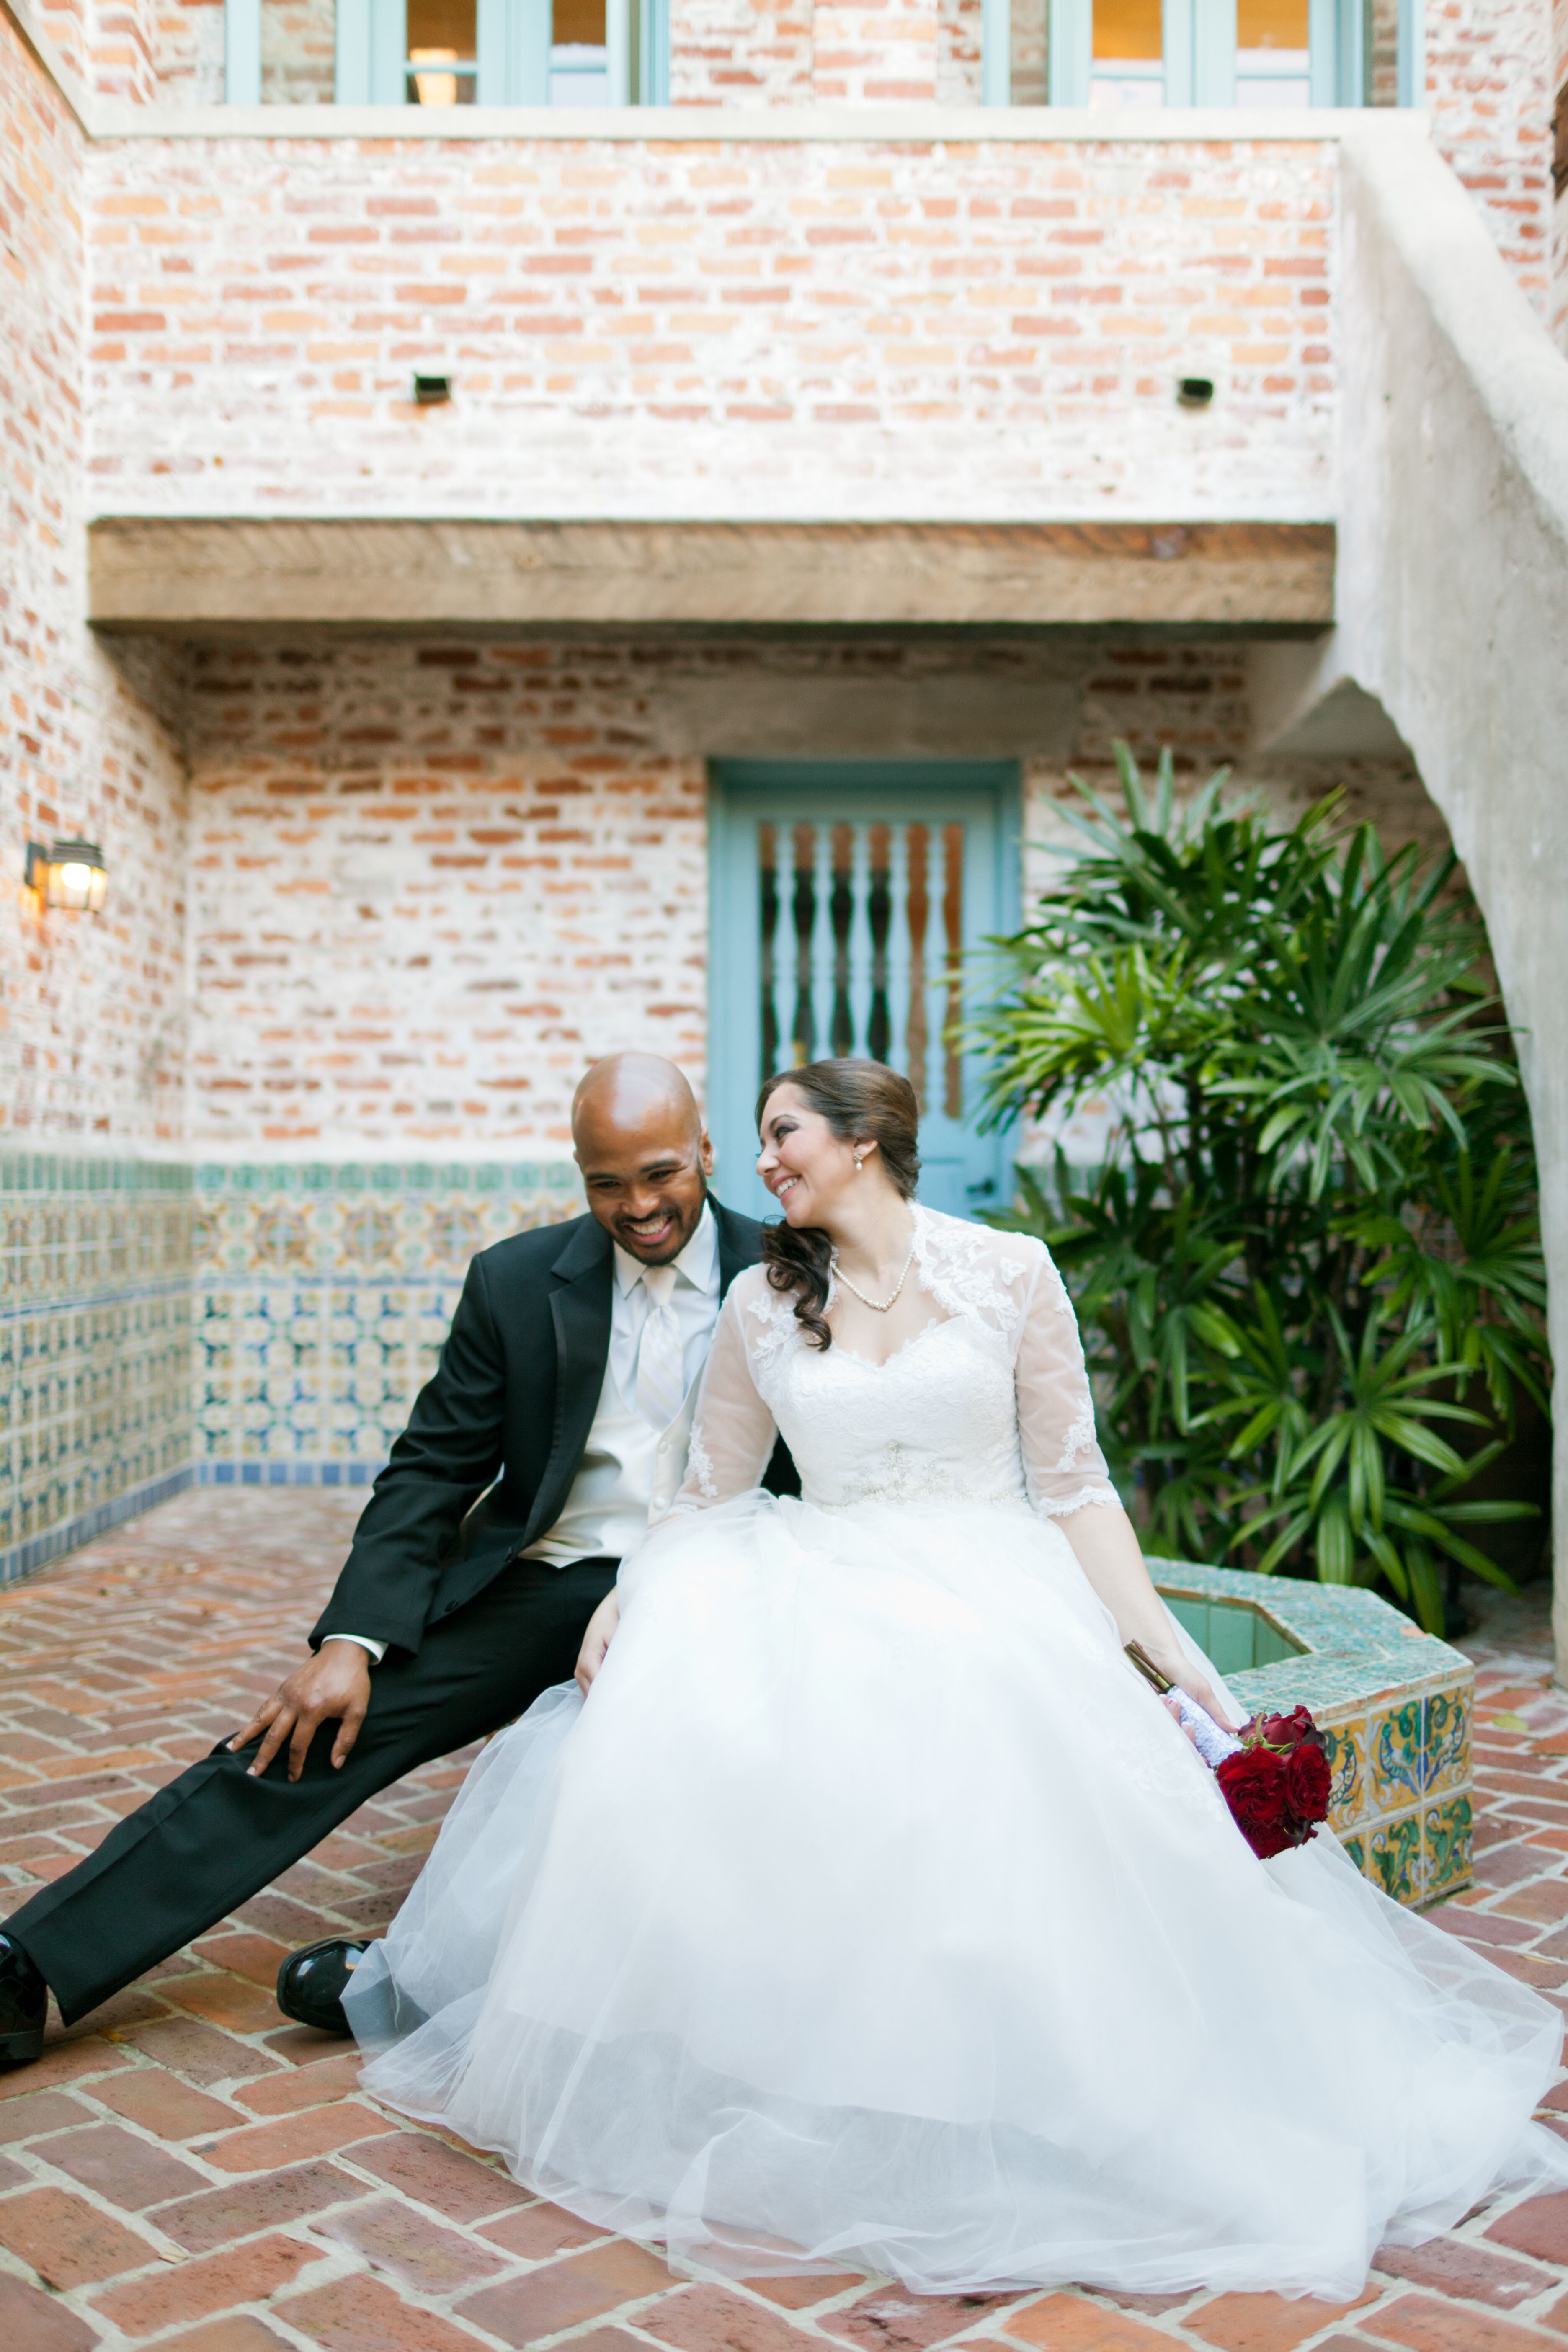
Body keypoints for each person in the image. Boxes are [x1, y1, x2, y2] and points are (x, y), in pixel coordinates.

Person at [344, 1056, 1568, 2303]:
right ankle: (826, 2085)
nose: (762, 1163)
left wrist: (1172, 1655)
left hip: (991, 1593)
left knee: (1004, 1819)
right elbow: (706, 1494)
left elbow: (1078, 1489)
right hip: (813, 1588)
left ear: (863, 1142)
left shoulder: (1010, 1273)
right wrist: (626, 1598)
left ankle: (1052, 2092)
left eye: (783, 1135)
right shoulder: (764, 1303)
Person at [0, 1054, 795, 2064]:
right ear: (578, 1172)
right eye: (607, 1183)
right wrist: (352, 1638)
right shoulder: (515, 1281)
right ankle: (30, 1961)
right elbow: (430, 1469)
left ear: (704, 1153)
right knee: (313, 1729)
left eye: (660, 1174)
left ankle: (457, 1973)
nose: (638, 1205)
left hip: (725, 1580)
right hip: (553, 1576)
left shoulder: (789, 1268)